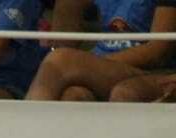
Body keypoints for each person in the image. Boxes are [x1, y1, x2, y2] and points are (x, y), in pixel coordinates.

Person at [25, 0, 176, 101]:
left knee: (61, 60)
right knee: (74, 95)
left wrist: (85, 64)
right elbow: (65, 32)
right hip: (102, 65)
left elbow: (157, 51)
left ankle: (26, 137)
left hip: (151, 70)